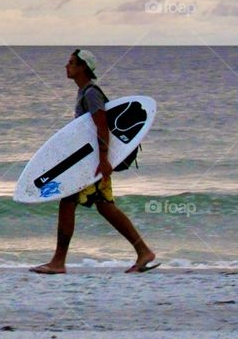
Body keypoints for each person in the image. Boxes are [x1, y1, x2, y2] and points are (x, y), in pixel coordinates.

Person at [30, 49, 158, 275]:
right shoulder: (84, 92)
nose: (66, 66)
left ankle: (58, 262)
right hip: (94, 162)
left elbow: (102, 126)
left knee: (67, 203)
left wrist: (104, 161)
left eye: (70, 63)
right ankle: (143, 251)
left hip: (94, 164)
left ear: (83, 67)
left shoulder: (90, 93)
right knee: (106, 207)